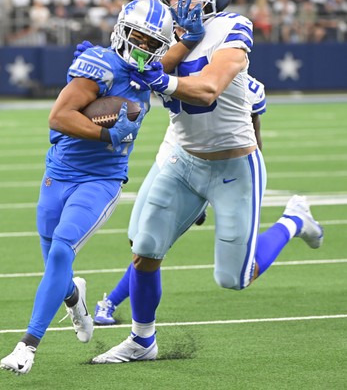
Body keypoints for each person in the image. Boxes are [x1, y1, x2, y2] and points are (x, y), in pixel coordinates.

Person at [90, 0, 324, 364]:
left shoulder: (233, 25)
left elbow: (210, 87)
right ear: (164, 1)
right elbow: (131, 78)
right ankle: (142, 340)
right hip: (182, 159)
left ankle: (293, 220)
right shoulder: (161, 38)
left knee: (234, 278)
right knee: (144, 247)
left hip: (233, 166)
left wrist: (161, 80)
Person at [0, 0, 174, 375]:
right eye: (138, 38)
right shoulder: (99, 64)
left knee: (62, 251)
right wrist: (105, 134)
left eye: (151, 43)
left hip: (101, 179)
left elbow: (184, 71)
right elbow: (59, 116)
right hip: (58, 174)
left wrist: (190, 37)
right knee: (55, 270)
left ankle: (27, 346)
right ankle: (74, 297)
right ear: (122, 30)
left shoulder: (152, 72)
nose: (144, 48)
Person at [93, 74, 266, 325]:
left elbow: (252, 135)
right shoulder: (176, 58)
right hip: (175, 156)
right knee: (140, 240)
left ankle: (293, 221)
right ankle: (120, 312)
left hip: (221, 166)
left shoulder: (246, 83)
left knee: (234, 276)